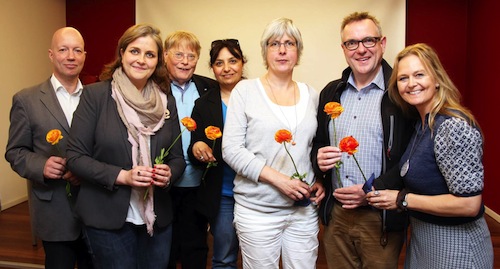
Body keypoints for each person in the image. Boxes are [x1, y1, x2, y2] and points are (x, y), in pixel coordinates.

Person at [66, 24, 186, 268]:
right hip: (107, 216)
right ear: (122, 53)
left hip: (157, 217)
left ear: (157, 61)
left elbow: (177, 158)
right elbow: (75, 157)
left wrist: (169, 174)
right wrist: (123, 176)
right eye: (134, 51)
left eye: (150, 54)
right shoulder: (96, 96)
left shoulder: (166, 101)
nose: (141, 60)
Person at [366, 43, 494, 268]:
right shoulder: (421, 125)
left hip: (457, 244)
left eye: (419, 74)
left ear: (436, 79)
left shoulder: (451, 127)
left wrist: (401, 199)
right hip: (423, 240)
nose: (411, 83)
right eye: (403, 78)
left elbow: (469, 204)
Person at [311, 12, 413, 269]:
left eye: (369, 40)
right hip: (337, 217)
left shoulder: (401, 93)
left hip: (381, 217)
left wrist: (371, 191)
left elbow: (410, 159)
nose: (361, 50)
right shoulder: (331, 91)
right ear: (343, 49)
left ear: (383, 43)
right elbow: (318, 143)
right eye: (352, 43)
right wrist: (317, 160)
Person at [222, 17, 325, 269]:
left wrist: (321, 180)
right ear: (264, 51)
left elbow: (314, 148)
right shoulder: (244, 91)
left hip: (302, 210)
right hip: (258, 211)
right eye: (274, 43)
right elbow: (231, 149)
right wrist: (280, 181)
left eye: (289, 43)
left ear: (297, 51)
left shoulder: (312, 94)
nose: (281, 50)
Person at [5, 27, 92, 269]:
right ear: (51, 54)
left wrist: (87, 169)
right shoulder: (26, 99)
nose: (71, 56)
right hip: (55, 210)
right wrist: (41, 165)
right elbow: (15, 151)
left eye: (77, 50)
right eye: (63, 50)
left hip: (94, 206)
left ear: (85, 55)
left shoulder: (98, 98)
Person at [187, 38, 246, 268]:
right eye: (219, 63)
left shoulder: (258, 95)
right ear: (212, 68)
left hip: (256, 192)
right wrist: (197, 147)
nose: (227, 68)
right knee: (224, 257)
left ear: (242, 63)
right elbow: (194, 145)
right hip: (223, 193)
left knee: (260, 256)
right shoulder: (203, 104)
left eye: (233, 61)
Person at [163, 30, 219, 269]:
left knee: (195, 248)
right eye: (178, 54)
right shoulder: (152, 87)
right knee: (164, 248)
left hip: (198, 183)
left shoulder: (210, 88)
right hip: (163, 184)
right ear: (165, 55)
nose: (185, 61)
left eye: (191, 56)